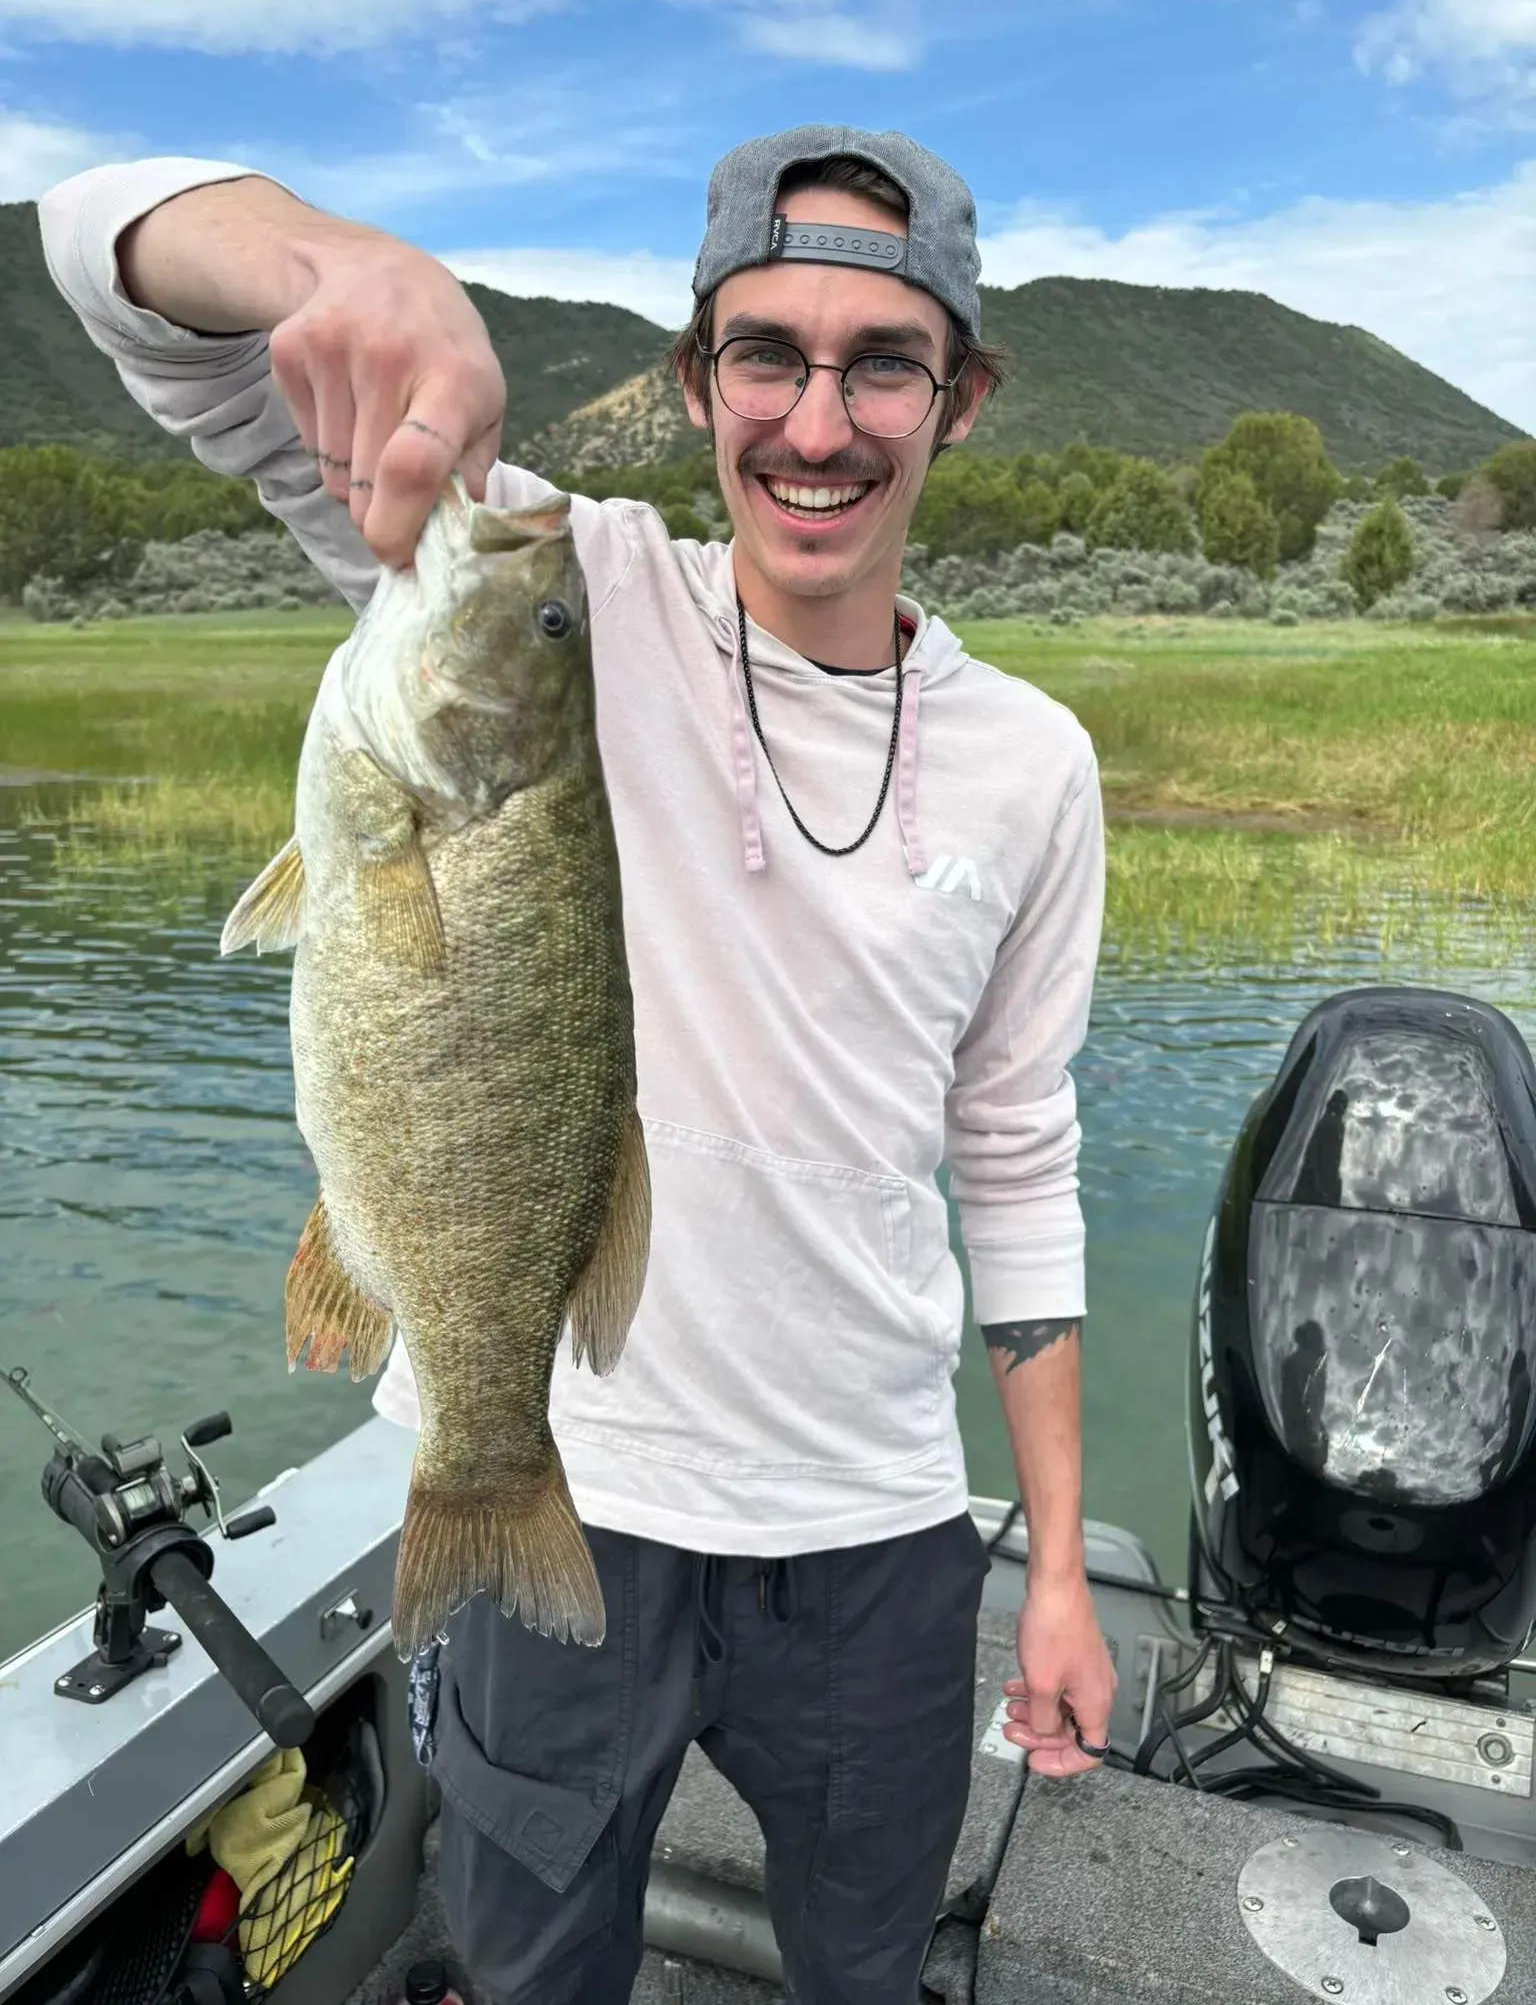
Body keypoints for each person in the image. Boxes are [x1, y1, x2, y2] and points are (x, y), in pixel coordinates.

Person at [40, 124, 1116, 2005]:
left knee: (865, 1967)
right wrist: (327, 263)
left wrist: (1055, 1570)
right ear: (698, 382)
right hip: (572, 1484)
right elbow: (99, 260)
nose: (819, 423)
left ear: (963, 398)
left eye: (885, 364)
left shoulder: (1037, 766)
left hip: (874, 1531)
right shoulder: (564, 585)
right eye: (767, 355)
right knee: (533, 1969)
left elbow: (1017, 1157)